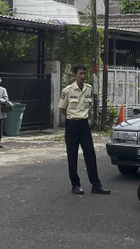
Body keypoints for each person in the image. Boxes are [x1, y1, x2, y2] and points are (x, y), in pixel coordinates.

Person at [58, 64, 110, 195]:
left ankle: (96, 185)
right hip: (72, 125)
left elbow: (90, 105)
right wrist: (72, 117)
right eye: (80, 73)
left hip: (84, 124)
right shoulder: (68, 90)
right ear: (74, 75)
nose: (82, 76)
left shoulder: (89, 89)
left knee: (90, 154)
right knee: (72, 155)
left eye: (84, 74)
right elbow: (63, 108)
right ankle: (75, 185)